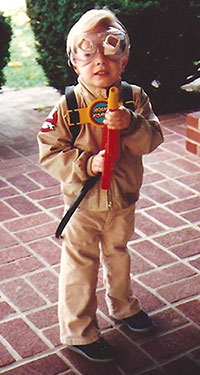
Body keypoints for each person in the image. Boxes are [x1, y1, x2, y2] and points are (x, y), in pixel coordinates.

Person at [37, 8, 164, 363]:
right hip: (84, 205)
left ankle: (123, 307)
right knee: (81, 264)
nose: (99, 62)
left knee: (119, 254)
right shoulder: (69, 105)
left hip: (122, 200)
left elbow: (152, 139)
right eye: (87, 53)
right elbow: (48, 151)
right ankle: (78, 330)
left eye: (110, 51)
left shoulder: (134, 98)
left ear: (123, 58)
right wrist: (84, 163)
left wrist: (131, 124)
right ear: (75, 62)